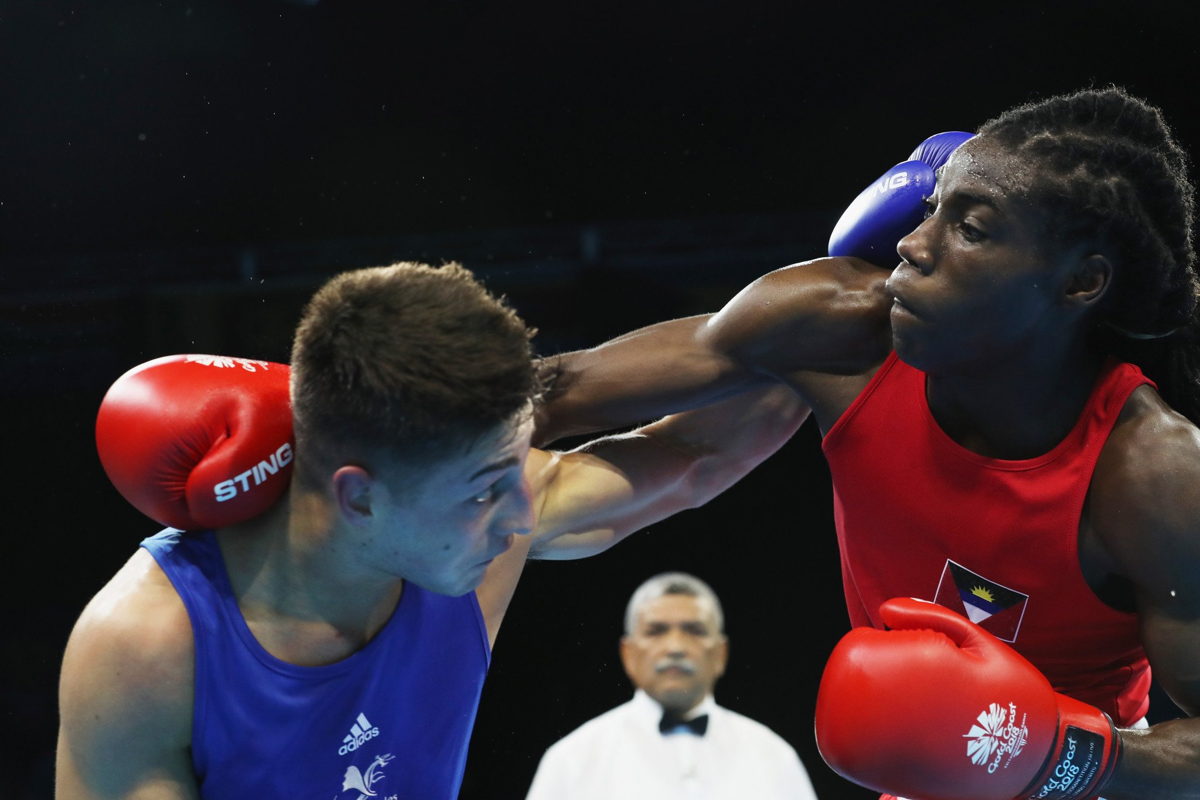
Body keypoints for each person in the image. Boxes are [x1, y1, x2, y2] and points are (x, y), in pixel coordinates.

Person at [532, 87, 1200, 799]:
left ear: (1081, 283)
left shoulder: (1152, 473)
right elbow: (555, 392)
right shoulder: (840, 328)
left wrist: (1054, 753)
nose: (914, 244)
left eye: (970, 228)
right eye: (930, 209)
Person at [57, 262, 810, 800]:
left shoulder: (475, 530)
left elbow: (704, 454)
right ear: (360, 499)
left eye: (516, 467)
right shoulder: (149, 644)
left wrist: (863, 301)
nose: (521, 516)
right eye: (485, 489)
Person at [525, 571, 818, 800]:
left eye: (694, 630)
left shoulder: (773, 756)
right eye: (656, 631)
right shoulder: (573, 759)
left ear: (720, 654)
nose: (675, 647)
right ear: (628, 654)